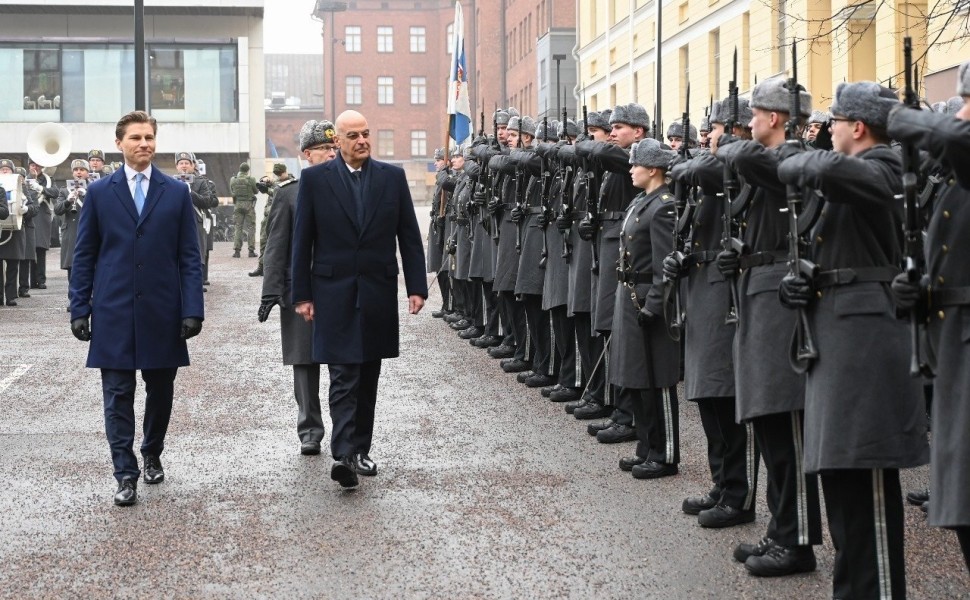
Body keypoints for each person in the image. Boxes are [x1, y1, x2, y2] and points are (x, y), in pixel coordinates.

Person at [777, 82, 929, 599]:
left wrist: (798, 157)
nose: (827, 130)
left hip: (865, 341)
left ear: (858, 127)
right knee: (839, 475)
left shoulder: (885, 168)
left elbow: (830, 170)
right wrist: (799, 281)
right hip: (834, 336)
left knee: (864, 479)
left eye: (834, 121)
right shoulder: (847, 176)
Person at [69, 110, 205, 507]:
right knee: (117, 394)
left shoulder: (176, 192)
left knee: (160, 391)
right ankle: (124, 473)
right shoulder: (99, 193)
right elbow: (85, 255)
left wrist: (192, 308)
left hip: (164, 310)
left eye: (149, 137)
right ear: (119, 144)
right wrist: (79, 307)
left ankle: (151, 452)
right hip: (112, 310)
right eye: (135, 138)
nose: (143, 144)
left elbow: (189, 257)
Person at [290, 110, 428, 489]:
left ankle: (361, 448)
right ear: (339, 141)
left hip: (377, 292)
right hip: (332, 292)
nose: (362, 140)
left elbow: (408, 235)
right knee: (343, 374)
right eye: (353, 135)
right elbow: (303, 240)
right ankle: (344, 455)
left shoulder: (392, 177)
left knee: (368, 374)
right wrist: (301, 294)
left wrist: (416, 286)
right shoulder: (315, 180)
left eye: (366, 133)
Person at [888, 60, 970, 572]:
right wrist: (918, 287)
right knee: (960, 501)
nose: (961, 111)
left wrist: (907, 119)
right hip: (952, 341)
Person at [259, 120, 338, 455]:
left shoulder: (348, 189)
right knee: (304, 363)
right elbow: (276, 246)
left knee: (342, 362)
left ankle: (344, 428)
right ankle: (309, 429)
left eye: (334, 149)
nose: (332, 154)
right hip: (299, 289)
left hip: (338, 289)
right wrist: (270, 292)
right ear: (307, 154)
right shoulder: (289, 194)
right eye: (324, 149)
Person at [0, 159, 37, 306]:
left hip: (15, 230)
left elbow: (34, 207)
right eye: (1, 169)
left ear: (13, 172)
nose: (4, 171)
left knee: (13, 265)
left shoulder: (20, 186)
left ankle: (10, 296)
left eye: (7, 169)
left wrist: (25, 209)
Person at [252, 162, 289, 277]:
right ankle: (261, 267)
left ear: (284, 172)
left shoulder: (290, 182)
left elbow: (280, 193)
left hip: (281, 216)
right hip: (268, 215)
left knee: (281, 242)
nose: (277, 176)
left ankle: (280, 269)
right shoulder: (277, 181)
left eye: (279, 173)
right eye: (276, 174)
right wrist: (265, 180)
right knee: (263, 240)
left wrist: (267, 189)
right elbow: (272, 183)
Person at [25, 160, 58, 290]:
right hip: (29, 215)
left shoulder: (48, 179)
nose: (35, 167)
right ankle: (31, 281)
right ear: (29, 166)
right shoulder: (25, 178)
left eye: (37, 165)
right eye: (33, 165)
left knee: (41, 248)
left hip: (42, 214)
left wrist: (41, 188)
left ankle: (41, 279)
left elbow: (55, 193)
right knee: (30, 248)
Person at [229, 162, 258, 258]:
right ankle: (251, 251)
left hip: (237, 205)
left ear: (240, 169)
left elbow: (232, 191)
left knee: (238, 227)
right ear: (247, 170)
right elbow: (256, 191)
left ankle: (237, 251)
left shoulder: (233, 179)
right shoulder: (251, 179)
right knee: (251, 227)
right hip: (249, 205)